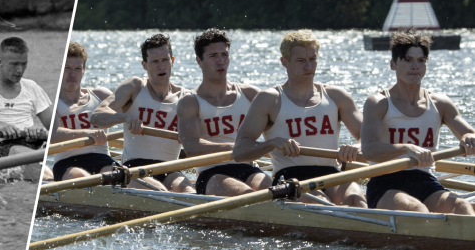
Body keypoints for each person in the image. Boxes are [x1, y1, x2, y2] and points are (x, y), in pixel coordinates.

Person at [233, 29, 366, 206]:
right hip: (291, 179)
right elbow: (240, 151)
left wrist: (356, 147)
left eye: (312, 59)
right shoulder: (269, 99)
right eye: (301, 61)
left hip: (331, 175)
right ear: (284, 62)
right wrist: (272, 143)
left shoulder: (337, 96)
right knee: (322, 205)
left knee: (357, 201)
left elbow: (370, 139)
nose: (309, 67)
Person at [361, 30, 475, 215]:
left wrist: (469, 137)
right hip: (384, 182)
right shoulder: (378, 103)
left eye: (421, 61)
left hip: (424, 180)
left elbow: (469, 133)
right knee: (417, 211)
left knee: (462, 206)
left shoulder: (440, 103)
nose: (415, 66)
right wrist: (406, 148)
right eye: (408, 60)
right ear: (393, 64)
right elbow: (369, 149)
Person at [91, 33, 193, 193]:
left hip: (170, 169)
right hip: (135, 168)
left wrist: (191, 138)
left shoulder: (186, 98)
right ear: (144, 65)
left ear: (172, 61)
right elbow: (97, 116)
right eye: (155, 62)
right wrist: (125, 117)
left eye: (165, 60)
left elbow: (200, 140)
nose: (161, 66)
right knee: (160, 192)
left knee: (190, 194)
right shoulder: (135, 87)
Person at [177, 28, 271, 196]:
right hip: (211, 173)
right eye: (213, 56)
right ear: (199, 61)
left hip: (248, 168)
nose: (220, 61)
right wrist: (234, 147)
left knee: (276, 192)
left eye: (224, 55)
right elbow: (191, 147)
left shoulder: (250, 94)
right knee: (250, 195)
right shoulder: (190, 101)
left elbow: (280, 125)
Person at [49, 42, 114, 181]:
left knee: (115, 177)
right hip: (68, 163)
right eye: (67, 68)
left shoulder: (101, 95)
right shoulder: (52, 102)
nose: (72, 74)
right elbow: (53, 134)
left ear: (83, 71)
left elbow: (131, 110)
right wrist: (87, 132)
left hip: (102, 158)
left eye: (77, 68)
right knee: (83, 179)